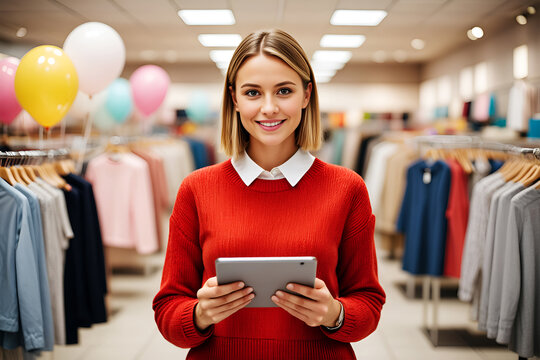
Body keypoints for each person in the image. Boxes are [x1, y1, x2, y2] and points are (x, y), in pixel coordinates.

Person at [153, 29, 385, 359]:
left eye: (284, 91)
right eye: (252, 93)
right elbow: (167, 311)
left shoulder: (347, 188)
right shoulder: (197, 189)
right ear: (234, 98)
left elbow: (369, 304)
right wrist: (200, 315)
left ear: (306, 95)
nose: (269, 107)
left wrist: (334, 314)